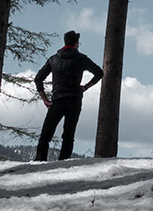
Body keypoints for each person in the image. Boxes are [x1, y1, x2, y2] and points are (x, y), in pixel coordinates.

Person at [34, 30, 103, 161]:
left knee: (46, 134)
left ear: (65, 42)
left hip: (57, 100)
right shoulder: (82, 58)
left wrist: (45, 100)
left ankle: (39, 160)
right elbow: (99, 73)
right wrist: (86, 87)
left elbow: (38, 79)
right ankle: (63, 162)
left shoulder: (53, 59)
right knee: (68, 135)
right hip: (74, 99)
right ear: (76, 44)